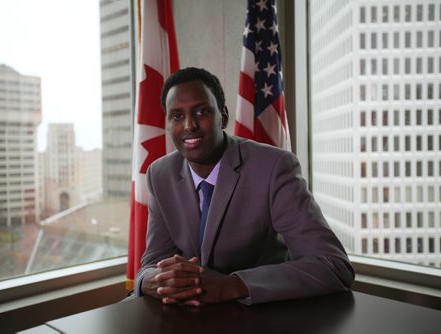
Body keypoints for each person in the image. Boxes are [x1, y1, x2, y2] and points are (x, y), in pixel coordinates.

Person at [134, 67, 354, 306]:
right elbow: (153, 262)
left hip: (265, 316)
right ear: (167, 124)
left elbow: (332, 265)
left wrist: (232, 285)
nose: (189, 125)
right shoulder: (160, 173)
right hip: (192, 317)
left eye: (202, 111)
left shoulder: (274, 167)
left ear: (224, 116)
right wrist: (150, 280)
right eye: (177, 116)